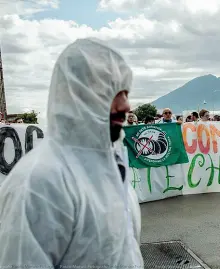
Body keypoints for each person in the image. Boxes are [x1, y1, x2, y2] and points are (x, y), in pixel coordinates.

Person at [0, 38, 143, 268]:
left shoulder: (112, 166)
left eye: (125, 92)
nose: (126, 105)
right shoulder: (40, 184)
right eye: (112, 92)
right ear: (75, 94)